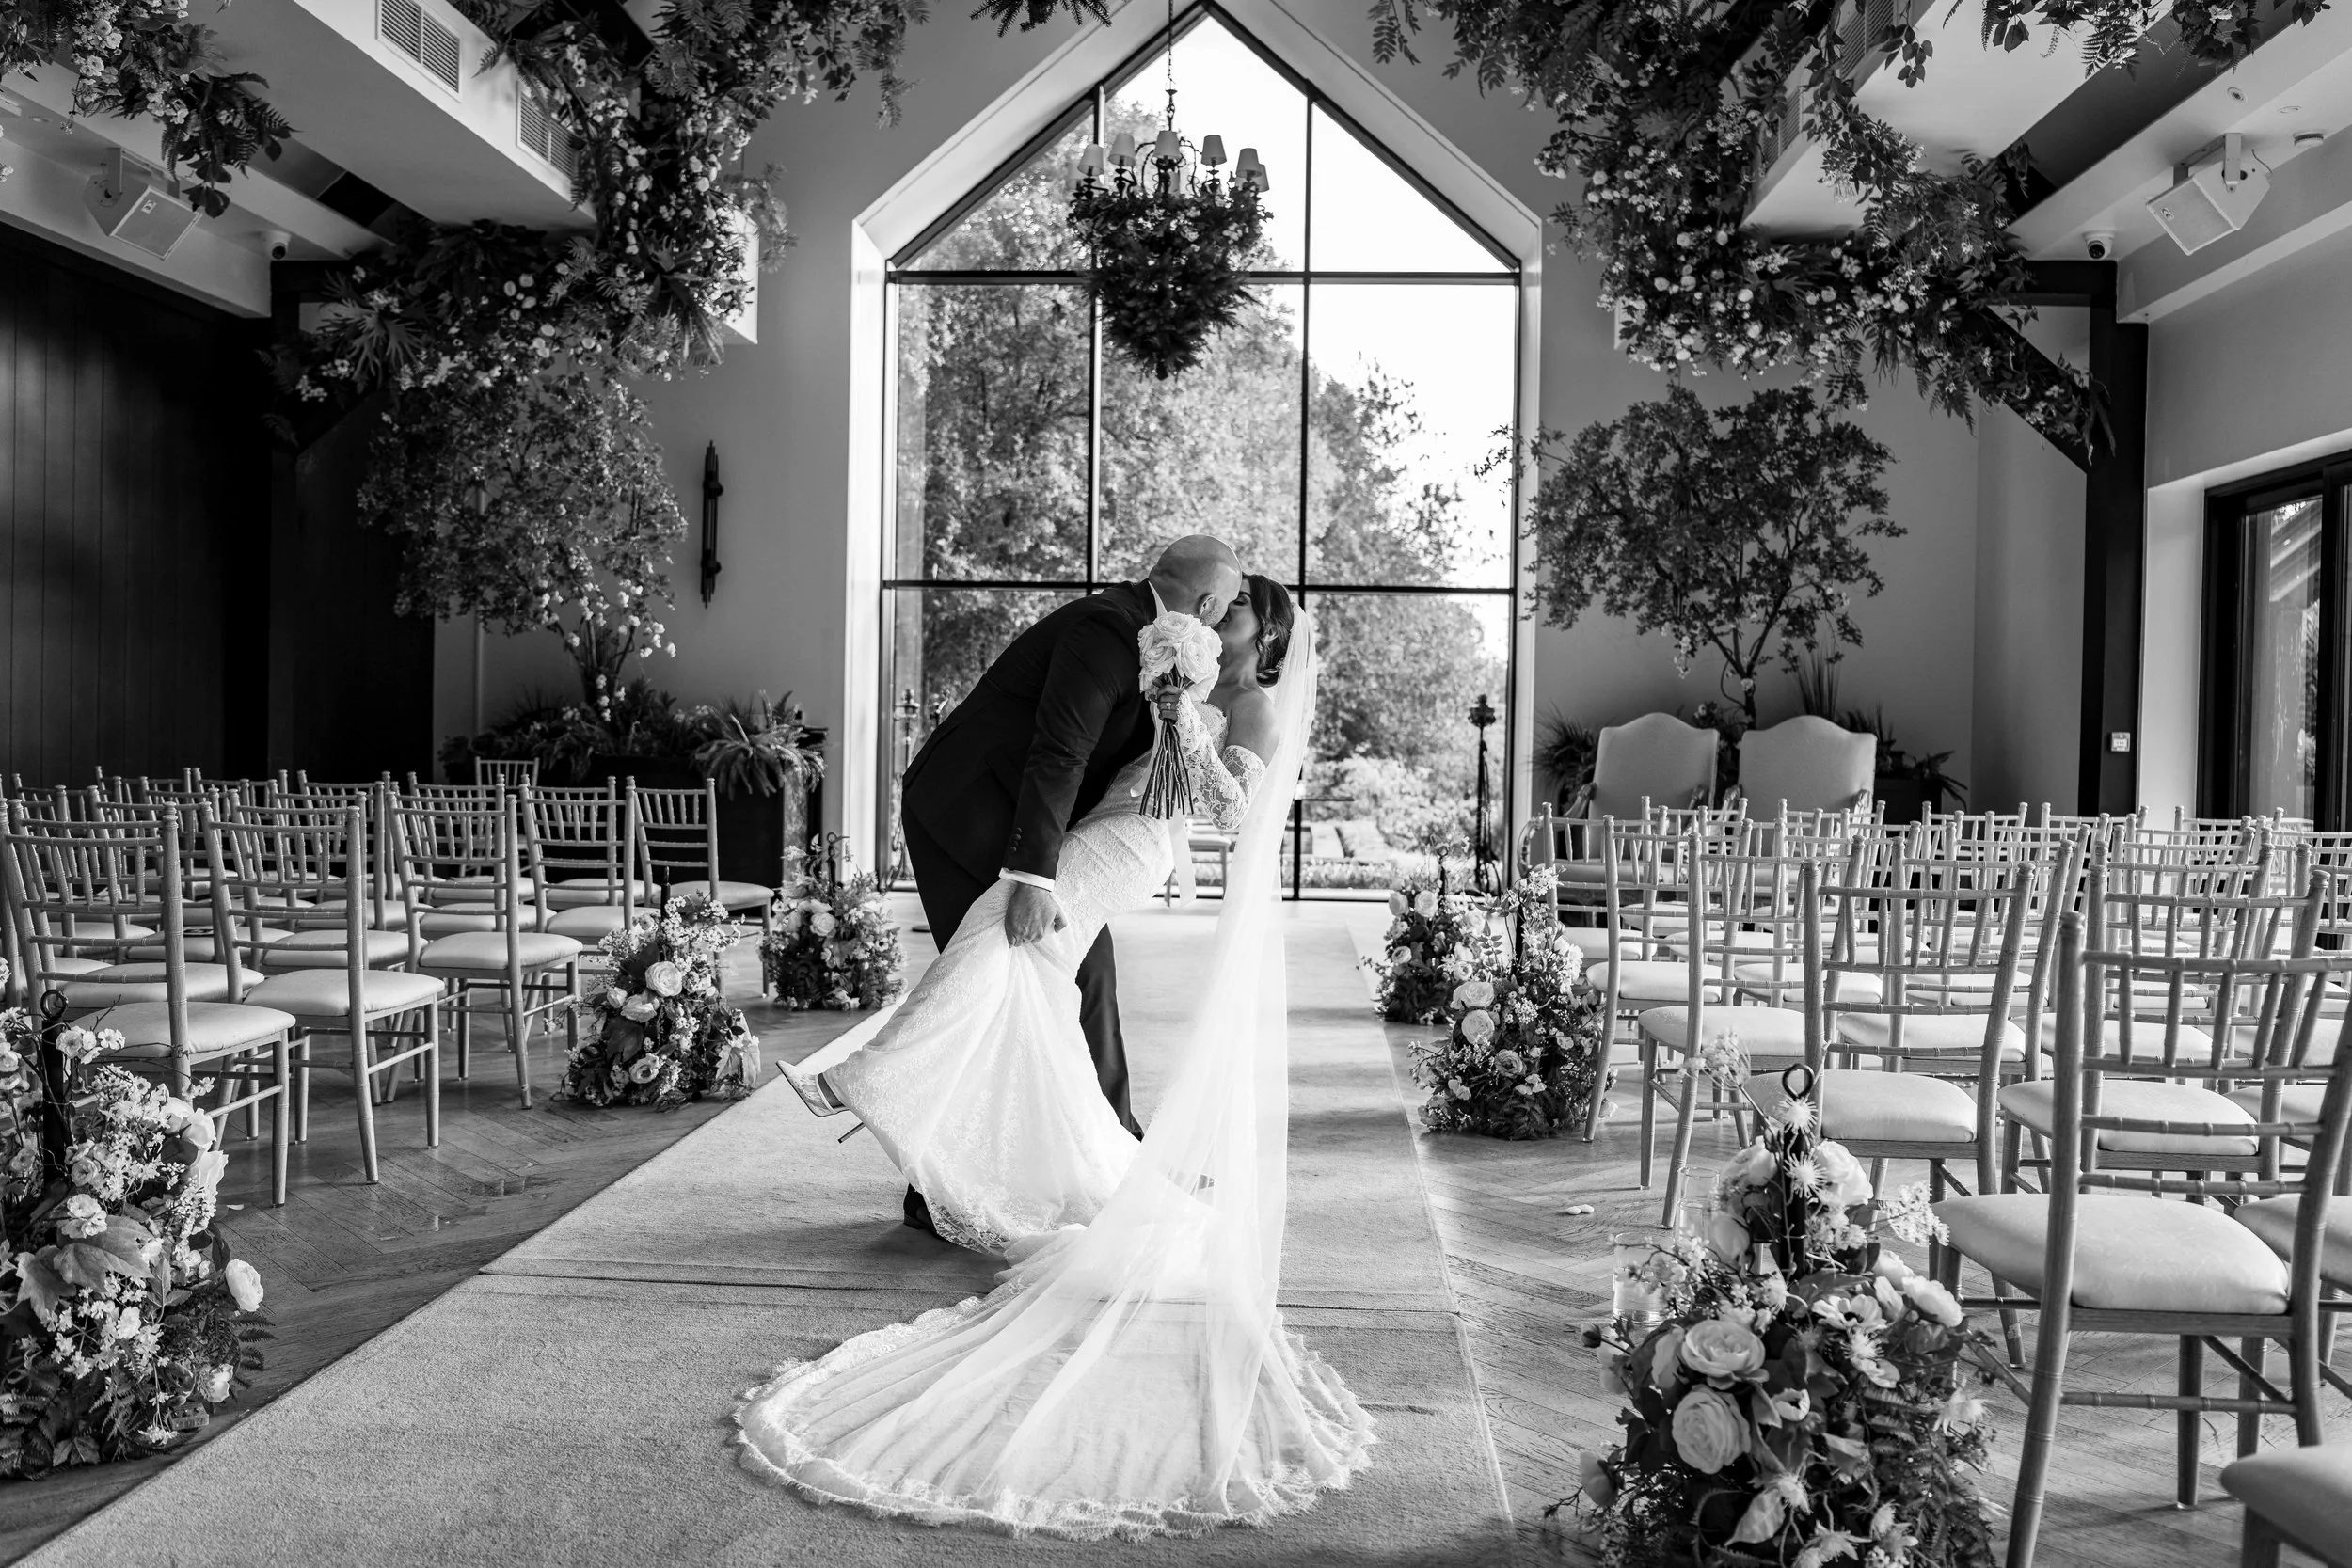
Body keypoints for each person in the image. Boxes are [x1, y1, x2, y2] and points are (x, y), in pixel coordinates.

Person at [744, 575, 1372, 1538]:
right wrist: (1167, 704)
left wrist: (1177, 719)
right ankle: (981, 1125)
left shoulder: (1244, 701)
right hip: (1098, 829)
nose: (1221, 614)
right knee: (1029, 977)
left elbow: (1217, 802)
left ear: (1264, 639)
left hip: (1130, 843)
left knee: (1003, 931)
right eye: (1224, 599)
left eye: (1239, 609)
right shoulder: (1184, 669)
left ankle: (881, 1073)